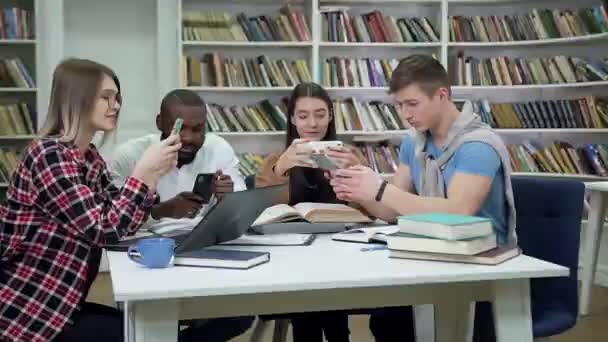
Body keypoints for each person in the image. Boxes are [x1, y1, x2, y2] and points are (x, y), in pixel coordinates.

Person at [329, 54, 517, 341]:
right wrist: (359, 190)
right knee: (385, 320)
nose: (405, 114)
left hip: (480, 265)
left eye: (412, 104)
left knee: (395, 322)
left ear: (442, 95)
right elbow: (393, 210)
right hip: (434, 255)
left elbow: (458, 213)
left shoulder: (478, 145)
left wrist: (379, 188)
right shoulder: (413, 142)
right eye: (400, 105)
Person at [0, 58, 180, 342]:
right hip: (29, 313)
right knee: (150, 334)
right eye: (106, 97)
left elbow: (123, 223)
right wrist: (142, 173)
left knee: (154, 329)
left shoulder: (90, 157)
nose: (116, 106)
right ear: (78, 100)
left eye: (117, 98)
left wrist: (152, 177)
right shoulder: (48, 156)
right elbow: (102, 228)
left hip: (63, 302)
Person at [256, 82, 366, 342]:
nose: (312, 124)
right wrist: (280, 170)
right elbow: (260, 213)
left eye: (320, 114)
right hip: (291, 256)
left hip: (340, 252)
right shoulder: (275, 160)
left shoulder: (349, 155)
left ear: (330, 115)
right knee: (306, 320)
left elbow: (367, 211)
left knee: (335, 318)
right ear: (292, 119)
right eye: (303, 116)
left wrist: (356, 170)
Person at [110, 89, 247, 234]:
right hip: (147, 244)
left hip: (204, 239)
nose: (188, 138)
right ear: (159, 122)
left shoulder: (219, 149)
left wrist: (227, 200)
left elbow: (242, 212)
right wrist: (161, 210)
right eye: (180, 128)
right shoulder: (129, 156)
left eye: (197, 129)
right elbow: (113, 224)